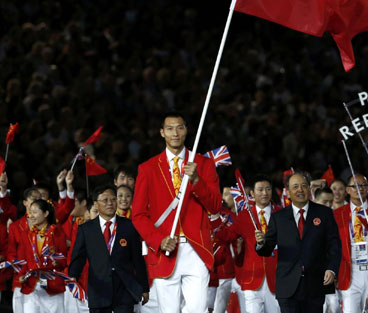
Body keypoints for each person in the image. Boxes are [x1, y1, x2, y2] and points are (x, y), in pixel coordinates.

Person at [131, 112, 221, 313]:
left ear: (186, 131)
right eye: (170, 128)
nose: (175, 133)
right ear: (162, 132)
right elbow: (137, 215)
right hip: (165, 251)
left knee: (198, 310)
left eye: (180, 127)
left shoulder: (204, 164)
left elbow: (215, 206)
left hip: (196, 249)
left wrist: (197, 180)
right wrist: (158, 240)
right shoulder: (148, 168)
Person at [255, 171, 341, 313]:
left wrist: (331, 269)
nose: (299, 190)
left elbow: (334, 245)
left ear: (309, 189)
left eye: (303, 186)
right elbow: (266, 249)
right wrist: (261, 243)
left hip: (315, 284)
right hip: (287, 286)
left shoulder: (324, 213)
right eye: (295, 187)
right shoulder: (278, 217)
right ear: (288, 192)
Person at [69, 184, 149, 313]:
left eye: (113, 199)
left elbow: (138, 259)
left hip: (124, 289)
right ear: (96, 203)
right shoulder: (86, 229)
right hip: (98, 290)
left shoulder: (129, 226)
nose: (110, 203)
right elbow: (78, 258)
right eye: (105, 200)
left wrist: (144, 288)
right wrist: (72, 278)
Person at [217, 174, 280, 313]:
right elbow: (228, 236)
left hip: (276, 280)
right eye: (260, 189)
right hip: (252, 279)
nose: (264, 193)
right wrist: (214, 221)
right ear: (252, 193)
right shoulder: (245, 216)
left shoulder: (281, 214)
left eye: (268, 189)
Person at [8, 199, 68, 313]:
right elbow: (23, 259)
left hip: (53, 288)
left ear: (45, 214)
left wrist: (58, 263)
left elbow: (64, 258)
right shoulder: (26, 234)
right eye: (30, 212)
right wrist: (21, 275)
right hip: (32, 287)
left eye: (35, 212)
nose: (31, 216)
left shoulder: (57, 232)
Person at [333, 173, 368, 313]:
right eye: (355, 186)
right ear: (347, 190)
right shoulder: (337, 214)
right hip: (350, 271)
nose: (360, 189)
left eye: (363, 185)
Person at [8, 186, 43, 313]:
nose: (37, 202)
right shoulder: (15, 227)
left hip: (43, 281)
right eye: (34, 199)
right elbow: (11, 254)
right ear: (25, 203)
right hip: (22, 280)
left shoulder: (49, 226)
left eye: (40, 199)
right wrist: (22, 272)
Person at [314, 187, 341, 313]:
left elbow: (335, 248)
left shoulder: (334, 220)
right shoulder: (304, 219)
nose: (329, 205)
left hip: (329, 274)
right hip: (311, 275)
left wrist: (333, 269)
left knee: (334, 307)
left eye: (331, 202)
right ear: (314, 200)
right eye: (325, 202)